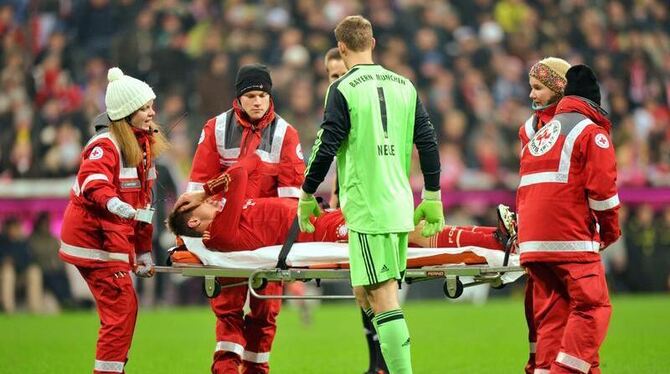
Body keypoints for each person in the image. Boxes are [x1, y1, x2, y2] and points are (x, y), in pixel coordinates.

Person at [299, 16, 444, 374]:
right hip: (399, 204)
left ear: (343, 49)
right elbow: (426, 141)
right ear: (373, 43)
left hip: (367, 207)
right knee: (367, 292)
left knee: (381, 296)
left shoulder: (343, 88)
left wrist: (306, 191)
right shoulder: (404, 85)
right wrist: (433, 194)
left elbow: (326, 144)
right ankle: (393, 359)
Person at [180, 63, 305, 374]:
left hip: (266, 239)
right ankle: (225, 369)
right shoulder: (216, 129)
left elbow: (291, 199)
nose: (258, 101)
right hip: (228, 237)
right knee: (228, 310)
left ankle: (255, 371)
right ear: (239, 98)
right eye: (251, 95)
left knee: (265, 313)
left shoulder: (285, 133)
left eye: (262, 94)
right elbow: (197, 190)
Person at [59, 67, 168, 374]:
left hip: (111, 238)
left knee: (124, 309)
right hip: (94, 240)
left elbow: (144, 206)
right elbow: (93, 182)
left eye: (150, 106)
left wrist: (144, 250)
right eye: (145, 108)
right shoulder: (105, 144)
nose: (152, 113)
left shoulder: (142, 147)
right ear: (127, 113)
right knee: (121, 309)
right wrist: (116, 204)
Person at [168, 157, 511, 254]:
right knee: (409, 232)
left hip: (325, 219)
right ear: (195, 223)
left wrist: (205, 194)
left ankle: (496, 235)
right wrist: (203, 191)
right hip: (319, 233)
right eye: (197, 206)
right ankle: (494, 239)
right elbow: (241, 171)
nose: (208, 201)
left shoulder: (226, 217)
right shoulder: (220, 235)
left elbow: (253, 164)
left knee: (409, 224)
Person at [517, 64, 620, 374]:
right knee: (593, 307)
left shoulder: (536, 133)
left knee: (552, 316)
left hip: (533, 242)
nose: (532, 94)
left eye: (538, 86)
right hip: (568, 237)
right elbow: (602, 192)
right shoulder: (591, 132)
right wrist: (610, 233)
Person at [324, 46, 387, 373]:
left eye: (343, 74)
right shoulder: (338, 108)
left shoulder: (365, 109)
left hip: (372, 207)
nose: (339, 82)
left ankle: (384, 364)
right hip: (350, 204)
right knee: (361, 290)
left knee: (375, 288)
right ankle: (376, 364)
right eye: (333, 77)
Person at [519, 57, 571, 374]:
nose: (531, 94)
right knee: (536, 305)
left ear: (557, 89)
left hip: (566, 233)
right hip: (535, 233)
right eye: (530, 87)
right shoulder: (527, 130)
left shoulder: (576, 126)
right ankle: (540, 363)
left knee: (560, 307)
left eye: (538, 88)